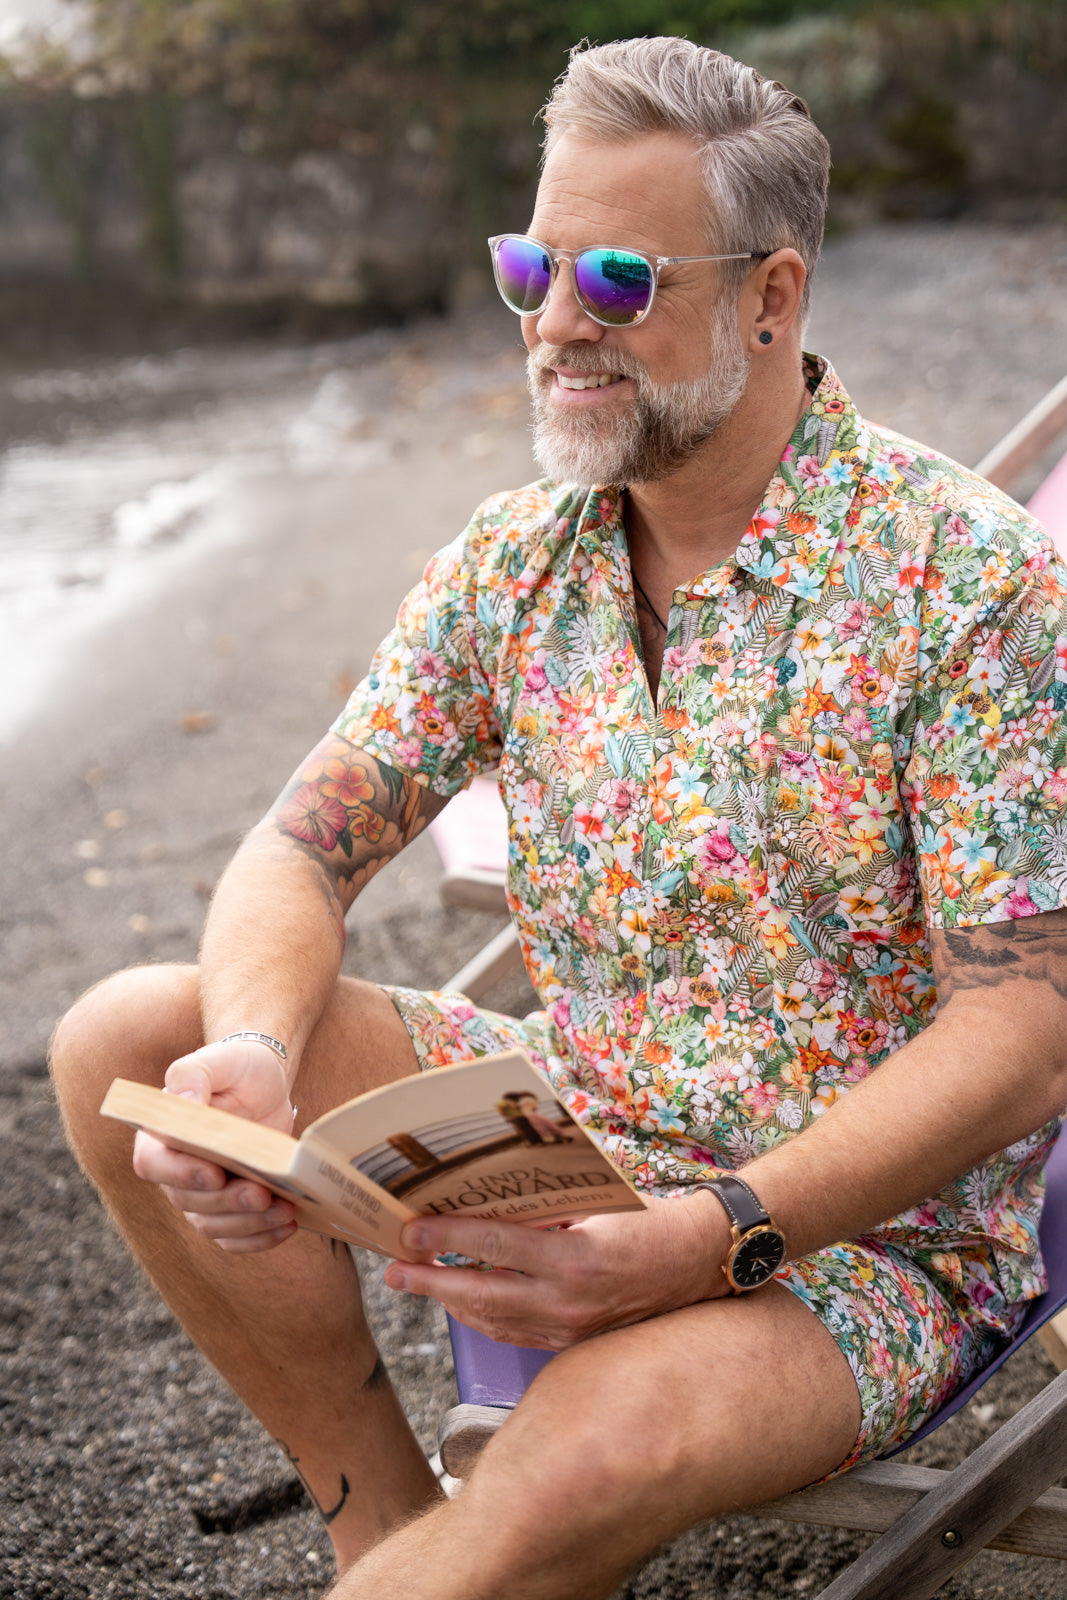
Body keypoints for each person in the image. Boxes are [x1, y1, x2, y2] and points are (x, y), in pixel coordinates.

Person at [51, 35, 1067, 1600]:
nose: (555, 324)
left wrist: (710, 1231)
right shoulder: (517, 561)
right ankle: (377, 1521)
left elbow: (1028, 1033)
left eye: (614, 275)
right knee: (130, 1040)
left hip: (859, 1245)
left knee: (571, 1463)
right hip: (578, 1131)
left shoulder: (968, 583)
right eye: (531, 265)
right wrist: (254, 1050)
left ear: (771, 298)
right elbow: (300, 850)